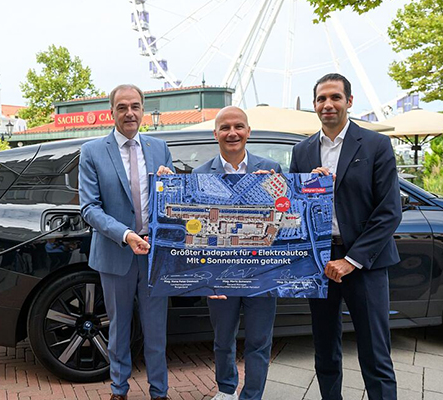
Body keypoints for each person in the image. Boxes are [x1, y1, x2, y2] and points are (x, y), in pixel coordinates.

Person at [290, 73, 402, 400]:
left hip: (364, 265)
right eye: (322, 99)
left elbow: (388, 212)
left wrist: (351, 261)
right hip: (321, 266)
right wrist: (307, 187)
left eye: (335, 97)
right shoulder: (303, 151)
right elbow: (296, 209)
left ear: (349, 101)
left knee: (375, 354)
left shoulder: (376, 145)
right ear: (314, 105)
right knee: (325, 351)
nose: (328, 104)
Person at [79, 84, 173, 400]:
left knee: (156, 330)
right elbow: (89, 207)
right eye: (122, 107)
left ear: (143, 110)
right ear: (112, 112)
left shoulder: (160, 148)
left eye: (135, 106)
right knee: (119, 329)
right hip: (116, 251)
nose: (129, 113)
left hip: (154, 254)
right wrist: (126, 235)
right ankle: (119, 389)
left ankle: (159, 392)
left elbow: (174, 201)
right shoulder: (92, 151)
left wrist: (169, 182)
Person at [192, 106, 281, 400]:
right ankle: (226, 390)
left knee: (259, 340)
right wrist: (207, 277)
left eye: (239, 127)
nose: (233, 133)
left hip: (261, 273)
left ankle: (253, 395)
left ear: (248, 132)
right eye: (226, 127)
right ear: (215, 134)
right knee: (222, 339)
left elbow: (286, 216)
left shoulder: (271, 169)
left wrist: (273, 188)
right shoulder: (200, 173)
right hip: (221, 275)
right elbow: (194, 231)